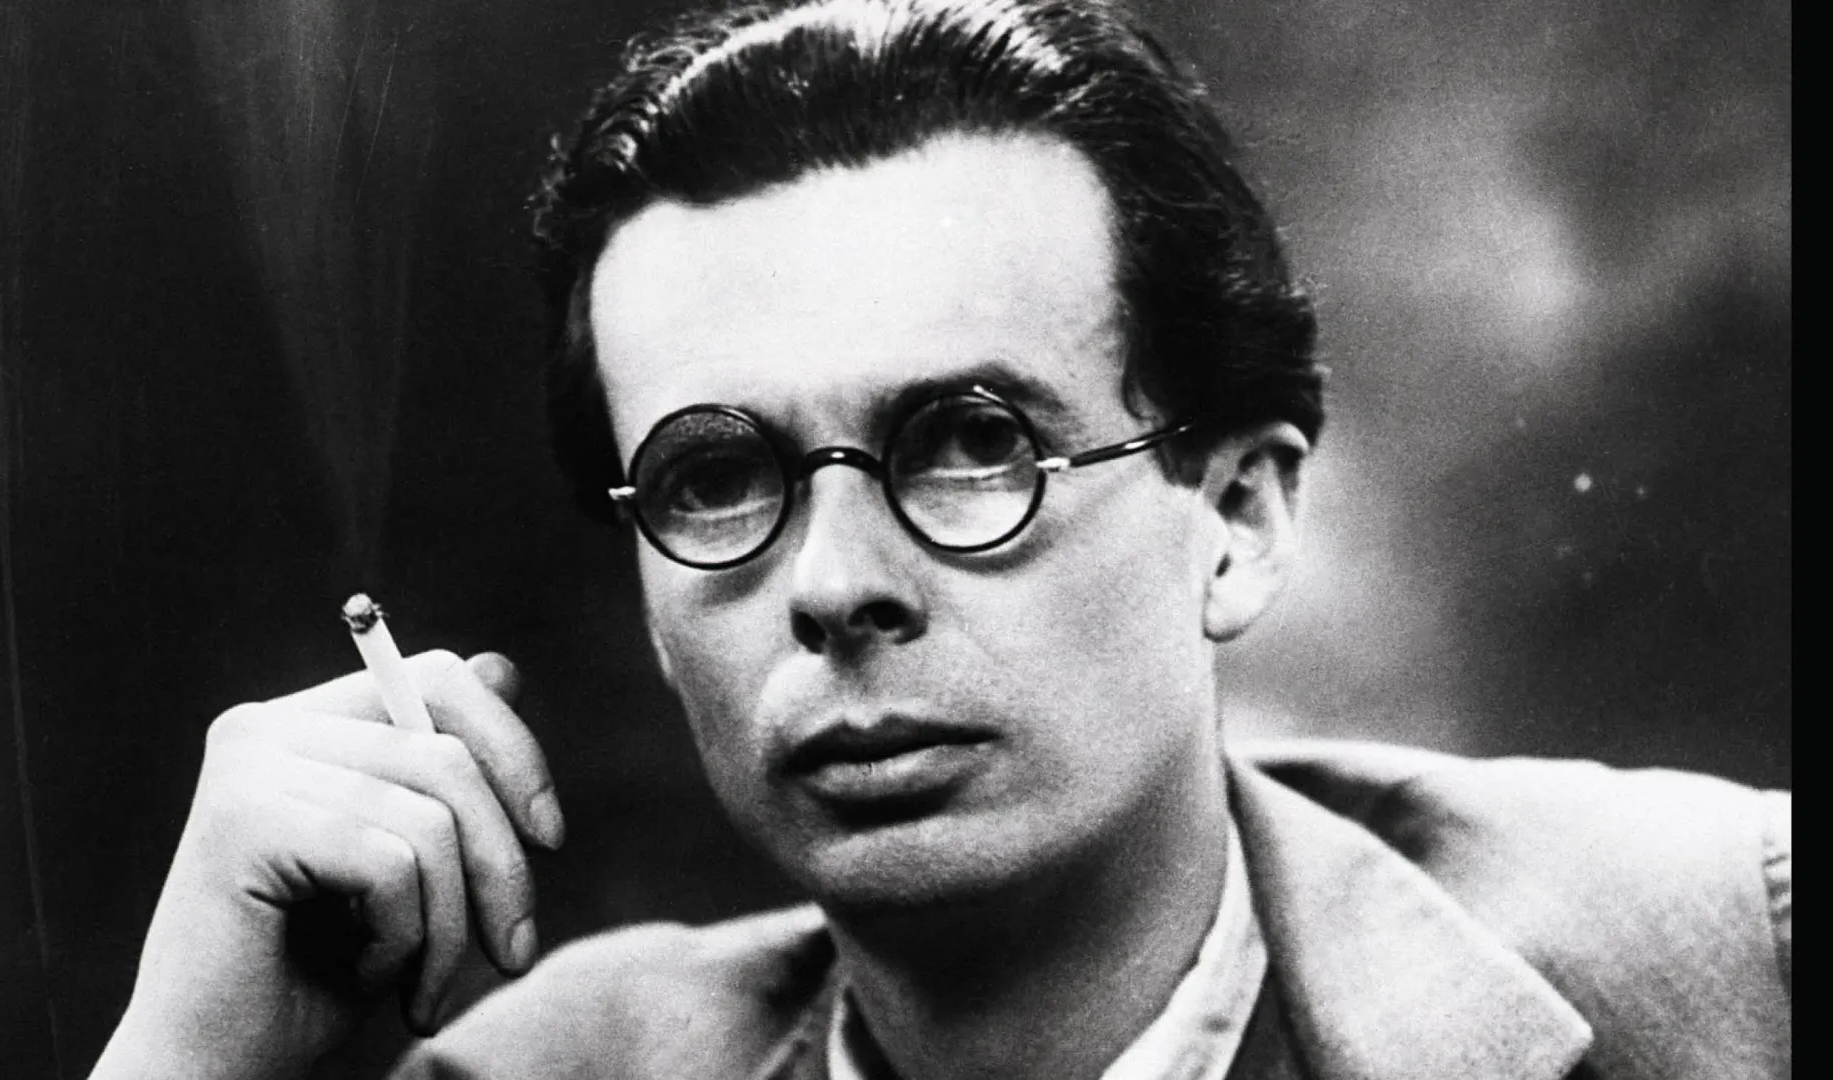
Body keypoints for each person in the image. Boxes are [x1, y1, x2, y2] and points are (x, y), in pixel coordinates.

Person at [91, 1, 1792, 1077]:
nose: (834, 585)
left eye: (975, 443)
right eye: (714, 477)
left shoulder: (1746, 950)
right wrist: (188, 1058)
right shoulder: (537, 1076)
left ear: (1238, 519)